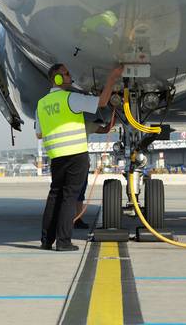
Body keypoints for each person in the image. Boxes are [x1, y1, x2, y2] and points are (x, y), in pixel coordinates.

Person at [36, 62, 123, 251]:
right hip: (75, 155)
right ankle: (63, 241)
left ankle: (46, 240)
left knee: (55, 196)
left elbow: (39, 134)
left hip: (56, 156)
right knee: (69, 197)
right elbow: (101, 102)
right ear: (57, 79)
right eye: (66, 74)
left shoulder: (42, 104)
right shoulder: (70, 99)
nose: (70, 77)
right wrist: (112, 77)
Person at [73, 114, 116, 230]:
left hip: (61, 160)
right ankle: (76, 218)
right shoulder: (86, 124)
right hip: (80, 161)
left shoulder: (63, 124)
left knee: (64, 191)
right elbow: (106, 129)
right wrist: (115, 115)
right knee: (80, 191)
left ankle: (64, 218)